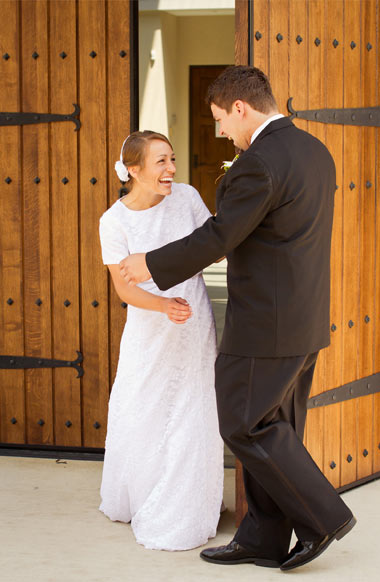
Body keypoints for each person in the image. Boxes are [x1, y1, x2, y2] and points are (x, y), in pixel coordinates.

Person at [118, 66, 355, 571]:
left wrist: (150, 264)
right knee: (278, 427)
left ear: (241, 108)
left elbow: (220, 236)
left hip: (264, 325)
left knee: (245, 426)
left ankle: (324, 516)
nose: (222, 131)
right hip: (304, 317)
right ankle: (263, 539)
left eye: (221, 119)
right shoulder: (315, 150)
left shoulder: (259, 162)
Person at [98, 131, 224, 551]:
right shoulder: (113, 221)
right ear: (133, 170)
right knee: (142, 404)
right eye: (160, 162)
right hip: (150, 327)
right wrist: (162, 306)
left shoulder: (187, 197)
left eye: (172, 160)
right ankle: (140, 491)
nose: (171, 170)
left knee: (192, 403)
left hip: (193, 320)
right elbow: (124, 289)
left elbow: (215, 247)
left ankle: (187, 501)